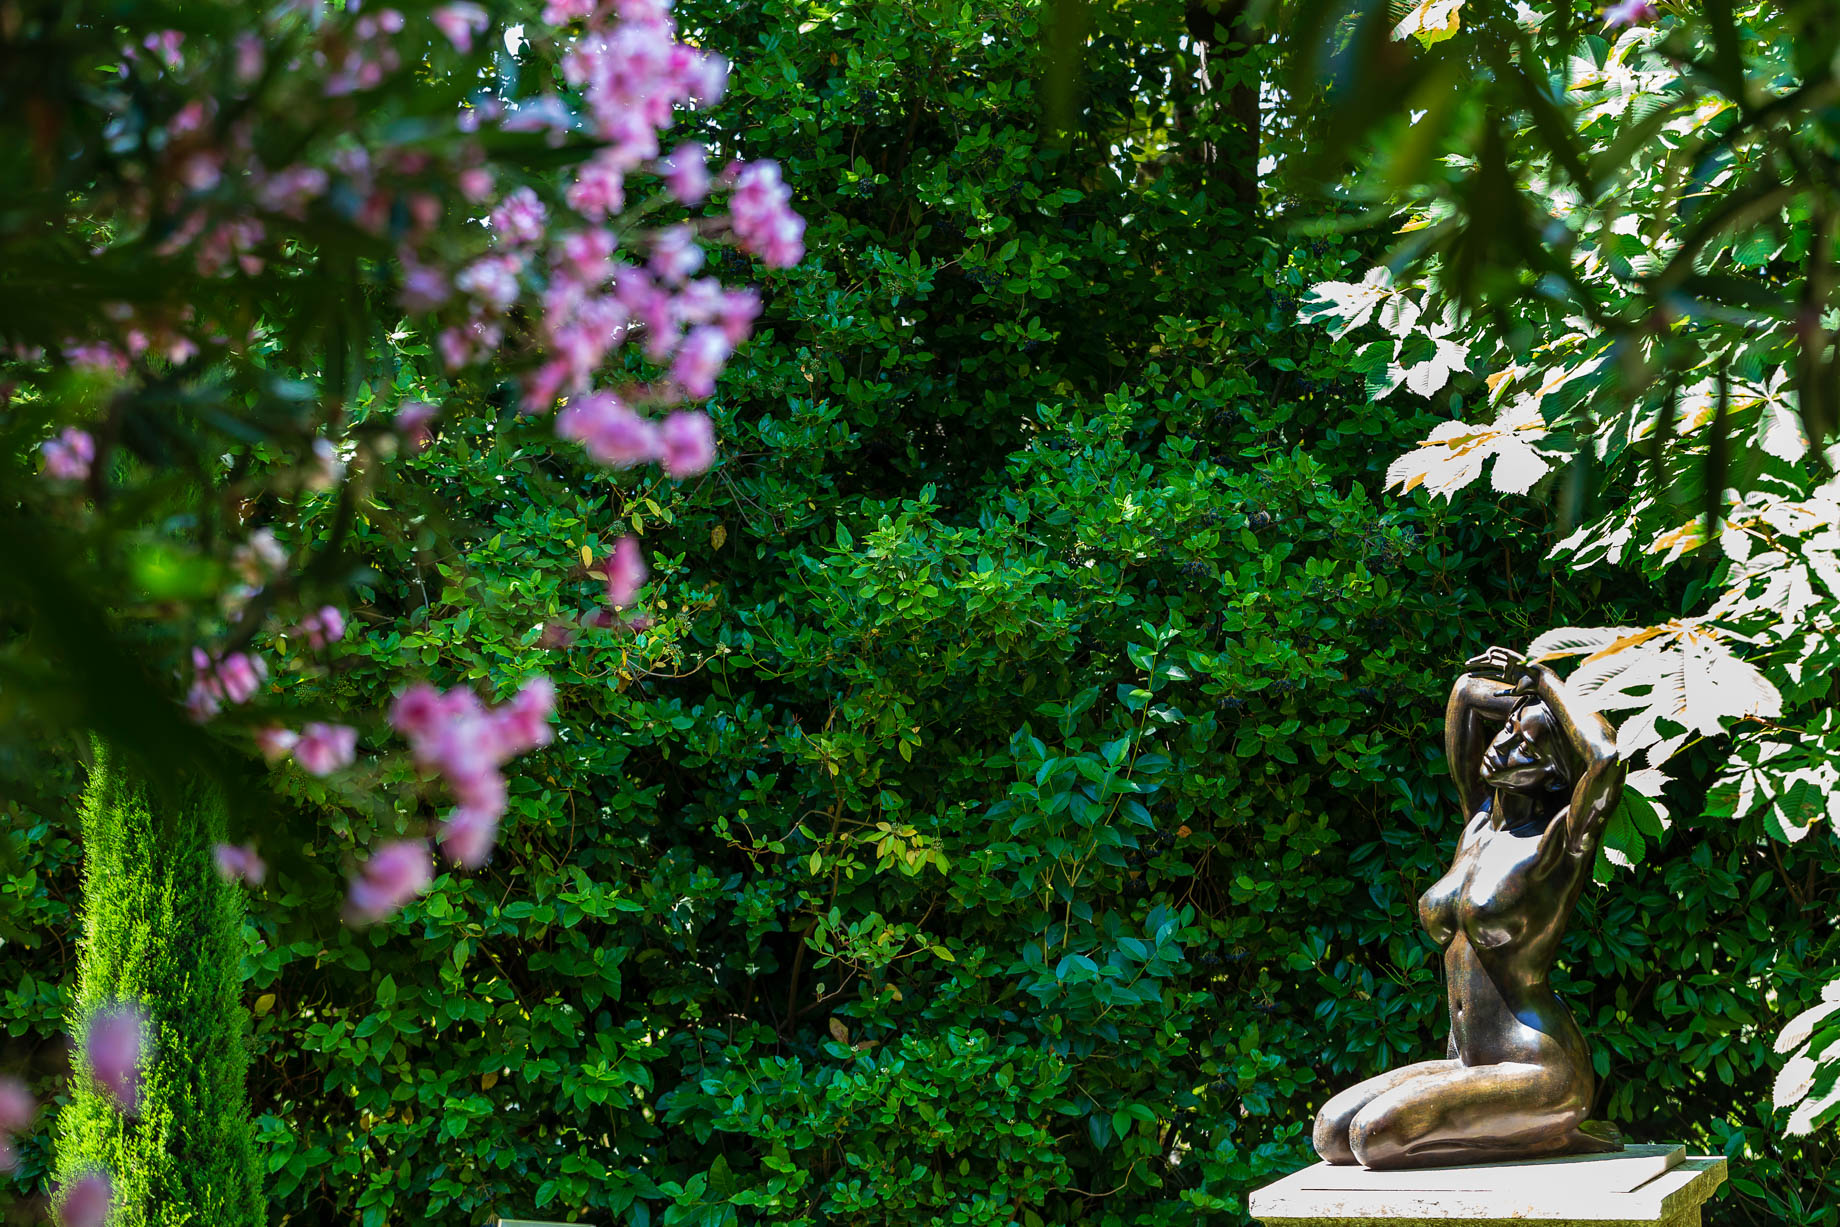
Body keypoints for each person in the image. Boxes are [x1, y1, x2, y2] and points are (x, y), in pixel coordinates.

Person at [1311, 645, 1626, 1170]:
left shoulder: (1559, 843)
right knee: (1332, 1134)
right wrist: (1524, 701)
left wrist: (1544, 679)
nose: (1501, 747)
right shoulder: (1479, 823)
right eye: (1507, 731)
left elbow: (1604, 757)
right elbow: (1464, 695)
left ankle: (1552, 1131)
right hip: (1469, 1062)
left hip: (1540, 1070)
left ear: (1553, 778)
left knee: (1373, 1138)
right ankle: (1530, 1136)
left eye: (1525, 747)